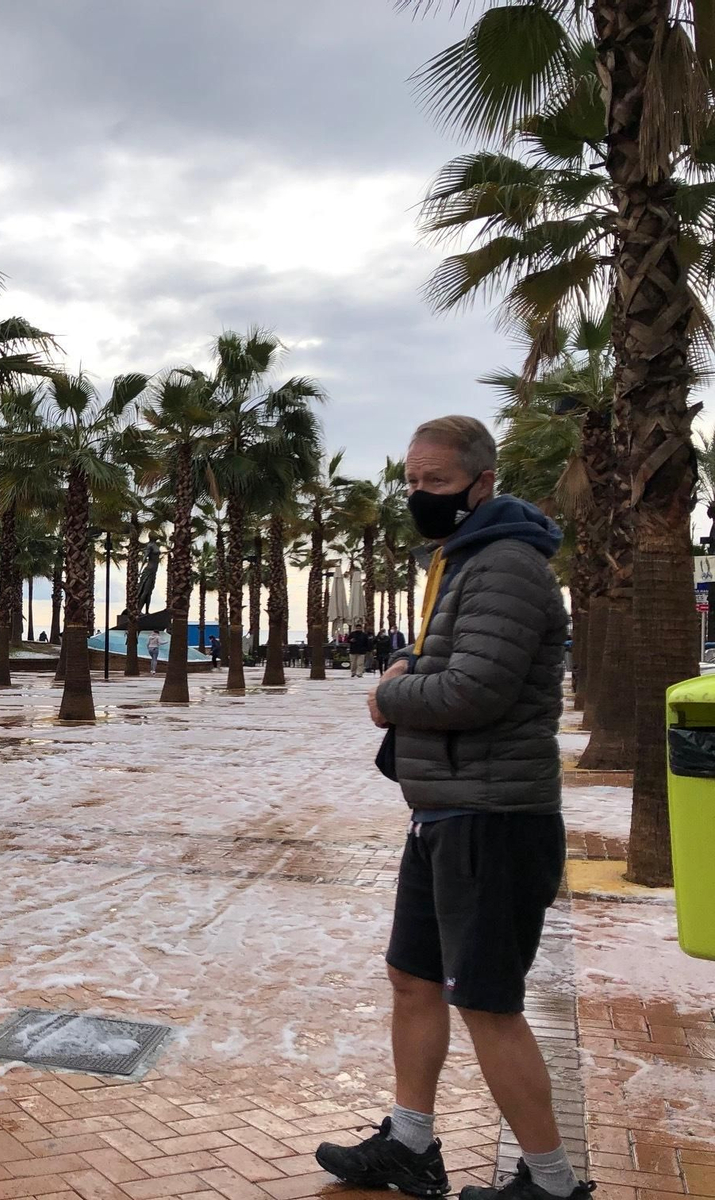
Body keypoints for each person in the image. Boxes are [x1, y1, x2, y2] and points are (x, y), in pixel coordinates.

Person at [315, 417, 585, 1200]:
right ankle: (409, 1141)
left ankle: (553, 1183)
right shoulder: (462, 561)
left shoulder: (504, 564)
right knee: (412, 978)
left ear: (481, 483)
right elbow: (445, 661)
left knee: (490, 1004)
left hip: (494, 819)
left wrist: (389, 692)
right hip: (444, 812)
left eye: (434, 483)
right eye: (411, 482)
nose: (418, 496)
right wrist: (409, 664)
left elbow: (475, 688)